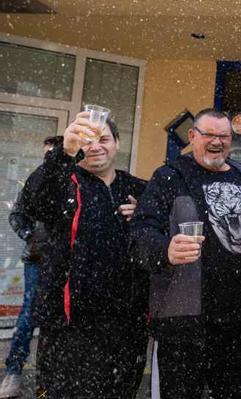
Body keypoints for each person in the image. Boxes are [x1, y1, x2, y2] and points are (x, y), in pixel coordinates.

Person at [131, 108, 241, 398]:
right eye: (209, 135)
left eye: (224, 136)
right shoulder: (169, 176)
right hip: (184, 321)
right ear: (192, 136)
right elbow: (141, 231)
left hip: (238, 321)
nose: (217, 142)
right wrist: (164, 250)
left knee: (231, 393)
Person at [25, 113, 148, 397]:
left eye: (104, 139)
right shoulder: (62, 182)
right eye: (88, 141)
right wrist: (63, 152)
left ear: (117, 143)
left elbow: (159, 239)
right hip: (69, 326)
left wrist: (145, 218)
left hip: (125, 325)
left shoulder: (138, 189)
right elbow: (33, 204)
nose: (96, 147)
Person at [1, 136, 62, 398]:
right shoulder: (35, 183)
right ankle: (13, 371)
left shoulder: (72, 183)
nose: (47, 160)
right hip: (38, 259)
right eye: (45, 154)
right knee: (29, 316)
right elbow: (17, 214)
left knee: (59, 320)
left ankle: (48, 378)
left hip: (67, 260)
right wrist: (30, 234)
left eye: (52, 155)